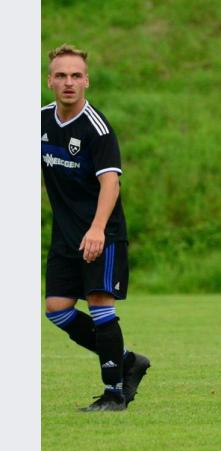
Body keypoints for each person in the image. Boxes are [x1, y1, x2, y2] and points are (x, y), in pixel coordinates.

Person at [41, 44, 150, 412]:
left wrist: (98, 229)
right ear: (50, 81)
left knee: (101, 305)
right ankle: (128, 360)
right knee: (57, 309)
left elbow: (110, 183)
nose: (68, 82)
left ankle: (114, 393)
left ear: (86, 81)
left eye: (76, 75)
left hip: (103, 233)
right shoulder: (39, 121)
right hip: (65, 234)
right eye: (61, 75)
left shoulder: (97, 129)